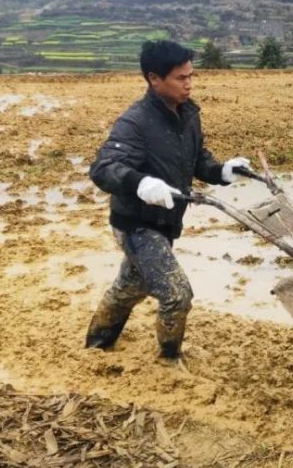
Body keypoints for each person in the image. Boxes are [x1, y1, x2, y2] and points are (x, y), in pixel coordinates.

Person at [85, 39, 249, 361]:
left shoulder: (187, 114)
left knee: (130, 287)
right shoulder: (135, 122)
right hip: (137, 226)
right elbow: (103, 168)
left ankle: (95, 346)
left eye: (191, 76)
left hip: (164, 223)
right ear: (154, 78)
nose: (188, 84)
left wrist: (223, 171)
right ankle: (168, 361)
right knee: (176, 293)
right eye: (180, 78)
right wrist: (140, 182)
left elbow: (198, 159)